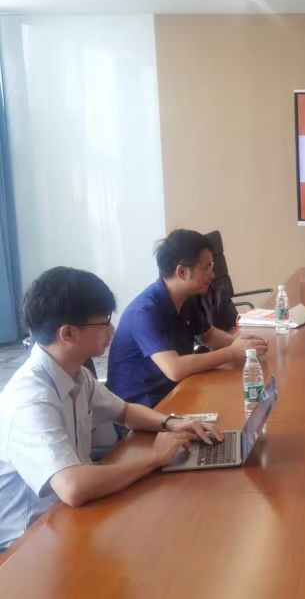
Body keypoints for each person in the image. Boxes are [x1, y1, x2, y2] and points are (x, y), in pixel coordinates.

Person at [0, 267, 222, 553]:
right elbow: (73, 487)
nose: (112, 330)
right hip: (25, 544)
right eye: (104, 323)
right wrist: (155, 458)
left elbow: (125, 411)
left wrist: (171, 422)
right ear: (68, 333)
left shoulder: (76, 373)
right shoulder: (30, 401)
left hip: (67, 515)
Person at [108, 229, 268, 408]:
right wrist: (232, 351)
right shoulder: (144, 312)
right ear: (182, 272)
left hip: (177, 390)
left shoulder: (187, 297)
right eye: (206, 267)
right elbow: (175, 369)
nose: (212, 275)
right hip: (144, 407)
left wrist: (245, 345)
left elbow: (208, 335)